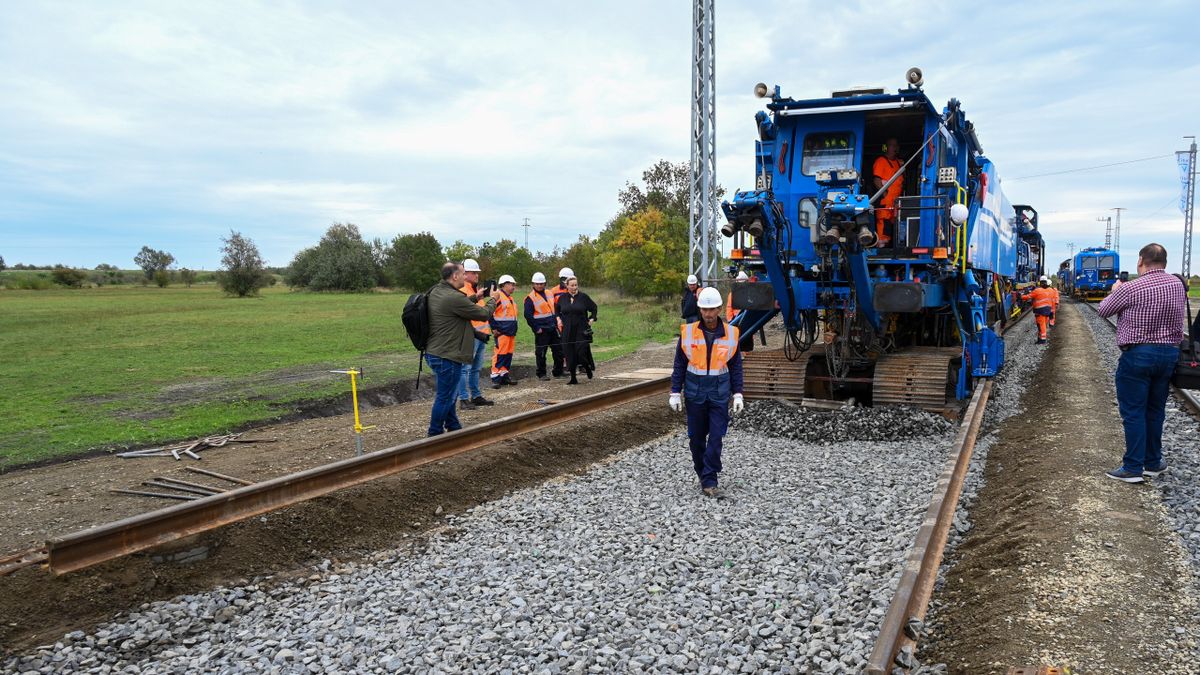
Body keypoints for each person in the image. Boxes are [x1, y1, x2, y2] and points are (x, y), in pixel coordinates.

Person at [1097, 243, 1187, 483]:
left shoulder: (1131, 288)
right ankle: (1153, 462)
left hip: (1138, 355)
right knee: (1155, 410)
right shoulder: (1178, 284)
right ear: (1165, 262)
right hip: (1169, 355)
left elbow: (1103, 311)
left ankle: (1133, 468)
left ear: (1140, 261)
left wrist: (1116, 290)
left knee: (1134, 411)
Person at [669, 287, 745, 499]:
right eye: (704, 310)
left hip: (720, 393)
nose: (708, 314)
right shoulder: (688, 333)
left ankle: (710, 479)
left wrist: (738, 393)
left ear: (719, 309)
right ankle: (703, 474)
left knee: (717, 437)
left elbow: (736, 366)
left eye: (712, 309)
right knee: (696, 439)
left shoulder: (731, 333)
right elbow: (680, 364)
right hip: (695, 393)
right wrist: (675, 391)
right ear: (700, 309)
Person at [425, 262, 501, 436]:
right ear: (455, 276)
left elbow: (457, 305)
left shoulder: (437, 291)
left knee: (450, 394)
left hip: (435, 351)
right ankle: (434, 434)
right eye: (463, 273)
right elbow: (483, 314)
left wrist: (475, 297)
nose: (465, 275)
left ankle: (453, 427)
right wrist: (494, 299)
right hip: (448, 354)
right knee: (445, 397)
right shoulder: (453, 297)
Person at [457, 259, 494, 410]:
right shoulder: (462, 290)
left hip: (481, 335)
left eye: (477, 273)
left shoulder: (474, 290)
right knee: (465, 368)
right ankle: (464, 399)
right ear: (464, 274)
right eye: (474, 272)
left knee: (475, 368)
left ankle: (476, 396)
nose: (477, 275)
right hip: (470, 336)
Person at [556, 276, 597, 385]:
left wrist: (592, 318)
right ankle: (573, 378)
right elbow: (557, 310)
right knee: (570, 353)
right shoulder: (562, 298)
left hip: (581, 329)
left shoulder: (583, 297)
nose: (574, 287)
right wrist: (558, 319)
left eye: (576, 285)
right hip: (567, 331)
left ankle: (587, 366)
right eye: (572, 285)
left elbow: (594, 308)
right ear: (567, 286)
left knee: (581, 352)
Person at [525, 272, 563, 381]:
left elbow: (554, 308)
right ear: (533, 284)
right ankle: (541, 374)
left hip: (552, 327)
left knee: (558, 351)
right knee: (541, 353)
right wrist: (536, 328)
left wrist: (556, 322)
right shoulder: (530, 298)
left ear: (545, 283)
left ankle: (558, 372)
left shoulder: (549, 293)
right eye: (537, 284)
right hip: (542, 330)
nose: (540, 285)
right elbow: (528, 315)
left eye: (541, 283)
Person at [489, 275, 520, 389]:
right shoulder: (498, 296)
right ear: (504, 284)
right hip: (501, 331)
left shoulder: (509, 298)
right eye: (511, 284)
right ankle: (496, 377)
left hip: (510, 331)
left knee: (508, 355)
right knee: (500, 354)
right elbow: (489, 312)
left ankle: (504, 375)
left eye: (514, 285)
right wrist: (494, 328)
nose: (513, 287)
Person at [872, 138, 903, 247]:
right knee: (883, 224)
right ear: (886, 147)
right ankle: (880, 248)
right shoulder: (881, 161)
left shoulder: (899, 163)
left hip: (895, 202)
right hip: (885, 201)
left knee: (892, 226)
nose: (894, 148)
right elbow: (876, 180)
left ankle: (890, 247)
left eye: (896, 146)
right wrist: (884, 194)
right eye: (891, 145)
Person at [549, 267, 574, 377]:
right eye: (564, 279)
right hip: (559, 321)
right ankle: (562, 366)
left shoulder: (573, 290)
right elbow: (551, 307)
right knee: (561, 345)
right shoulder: (553, 291)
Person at [1021, 276, 1057, 344]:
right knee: (1044, 324)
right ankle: (1040, 338)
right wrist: (1052, 312)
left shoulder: (1037, 290)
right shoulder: (1051, 291)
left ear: (1040, 282)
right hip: (1048, 311)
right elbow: (1053, 301)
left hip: (1040, 311)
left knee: (1041, 325)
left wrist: (1020, 296)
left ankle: (1042, 340)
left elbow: (1028, 297)